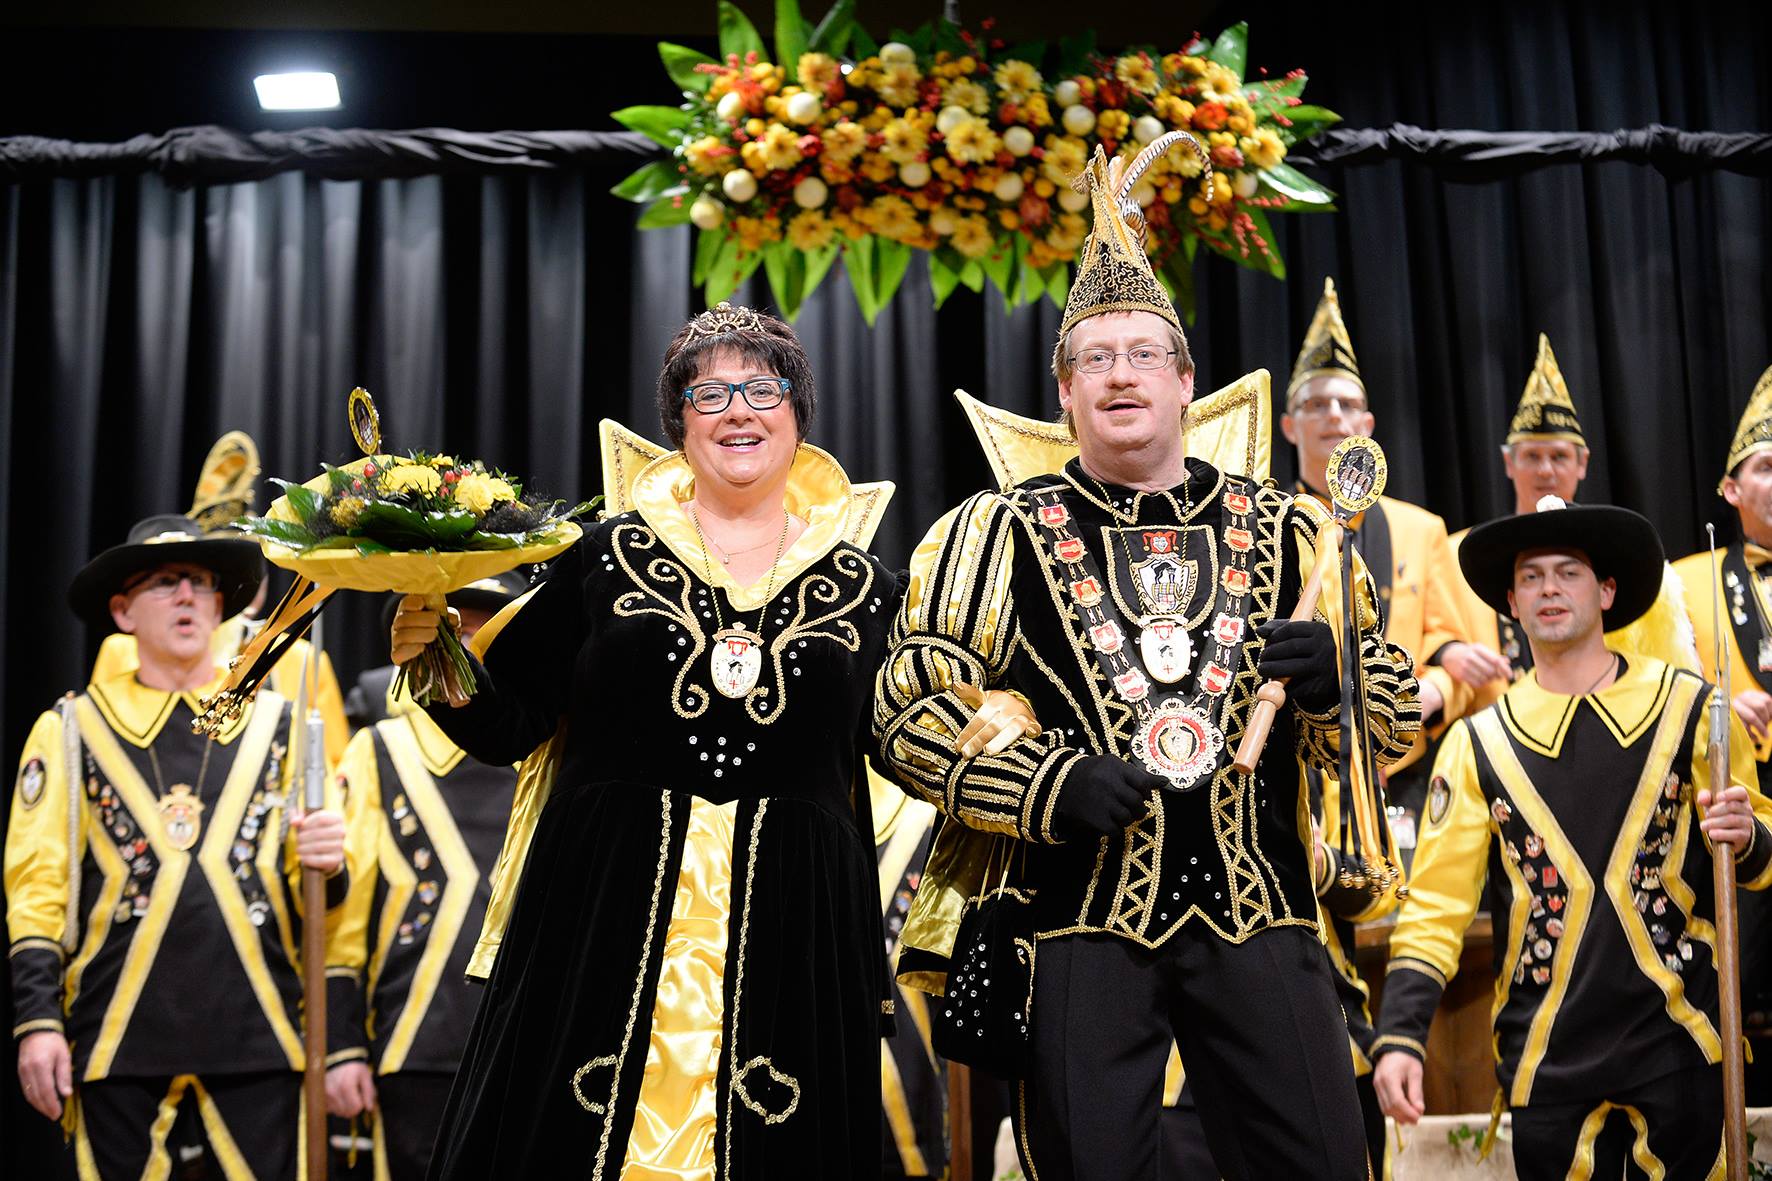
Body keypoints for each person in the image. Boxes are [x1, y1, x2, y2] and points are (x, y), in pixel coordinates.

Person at [874, 145, 1421, 1180]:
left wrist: (1333, 683)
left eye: (1140, 354)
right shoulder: (995, 530)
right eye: (1094, 359)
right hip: (1076, 922)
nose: (1119, 374)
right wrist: (1045, 783)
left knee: (1320, 1163)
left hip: (1262, 911)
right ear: (1064, 390)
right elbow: (907, 710)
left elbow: (1390, 718)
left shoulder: (1293, 528)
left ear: (1185, 381)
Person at [388, 303, 1000, 1179]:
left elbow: (914, 737)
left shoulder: (871, 589)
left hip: (795, 925)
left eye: (763, 389)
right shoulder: (603, 558)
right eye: (709, 394)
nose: (738, 410)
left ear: (798, 416)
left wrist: (1004, 709)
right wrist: (437, 654)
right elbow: (509, 723)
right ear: (679, 426)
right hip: (600, 914)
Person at [1372, 497, 1772, 1179]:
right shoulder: (1477, 742)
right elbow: (1436, 907)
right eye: (1531, 576)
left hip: (1682, 1049)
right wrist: (1402, 1035)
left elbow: (1758, 852)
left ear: (1607, 590)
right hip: (1546, 1064)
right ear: (1510, 602)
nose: (1549, 589)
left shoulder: (1694, 709)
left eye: (1568, 572)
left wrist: (1750, 835)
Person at [6, 514, 350, 1179]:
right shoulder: (71, 727)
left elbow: (316, 895)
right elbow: (36, 883)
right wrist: (38, 1020)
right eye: (164, 582)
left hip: (259, 1030)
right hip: (116, 1032)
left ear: (222, 606)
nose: (187, 595)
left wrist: (329, 863)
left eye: (200, 581)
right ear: (122, 612)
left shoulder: (281, 724)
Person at [1273, 276, 1467, 1173]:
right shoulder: (1265, 528)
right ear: (1289, 425)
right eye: (1317, 404)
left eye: (1348, 404)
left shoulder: (1423, 531)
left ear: (1372, 425)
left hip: (1407, 787)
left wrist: (1434, 689)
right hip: (1296, 795)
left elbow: (1471, 653)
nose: (1335, 417)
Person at [322, 572, 527, 1180]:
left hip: (534, 1037)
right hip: (415, 1040)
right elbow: (346, 916)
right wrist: (341, 1044)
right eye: (451, 632)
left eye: (488, 631)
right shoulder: (378, 749)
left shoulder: (550, 750)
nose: (468, 649)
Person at [1436, 334, 1697, 719]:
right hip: (1495, 735)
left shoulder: (1617, 559)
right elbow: (1427, 640)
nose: (1545, 470)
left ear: (1583, 463)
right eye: (1532, 456)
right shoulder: (1452, 556)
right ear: (1508, 464)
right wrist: (1448, 653)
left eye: (1558, 456)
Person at [1673, 362, 1772, 1021]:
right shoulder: (1682, 579)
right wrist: (1717, 703)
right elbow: (1652, 682)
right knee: (1741, 994)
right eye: (1766, 467)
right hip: (1737, 802)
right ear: (1731, 489)